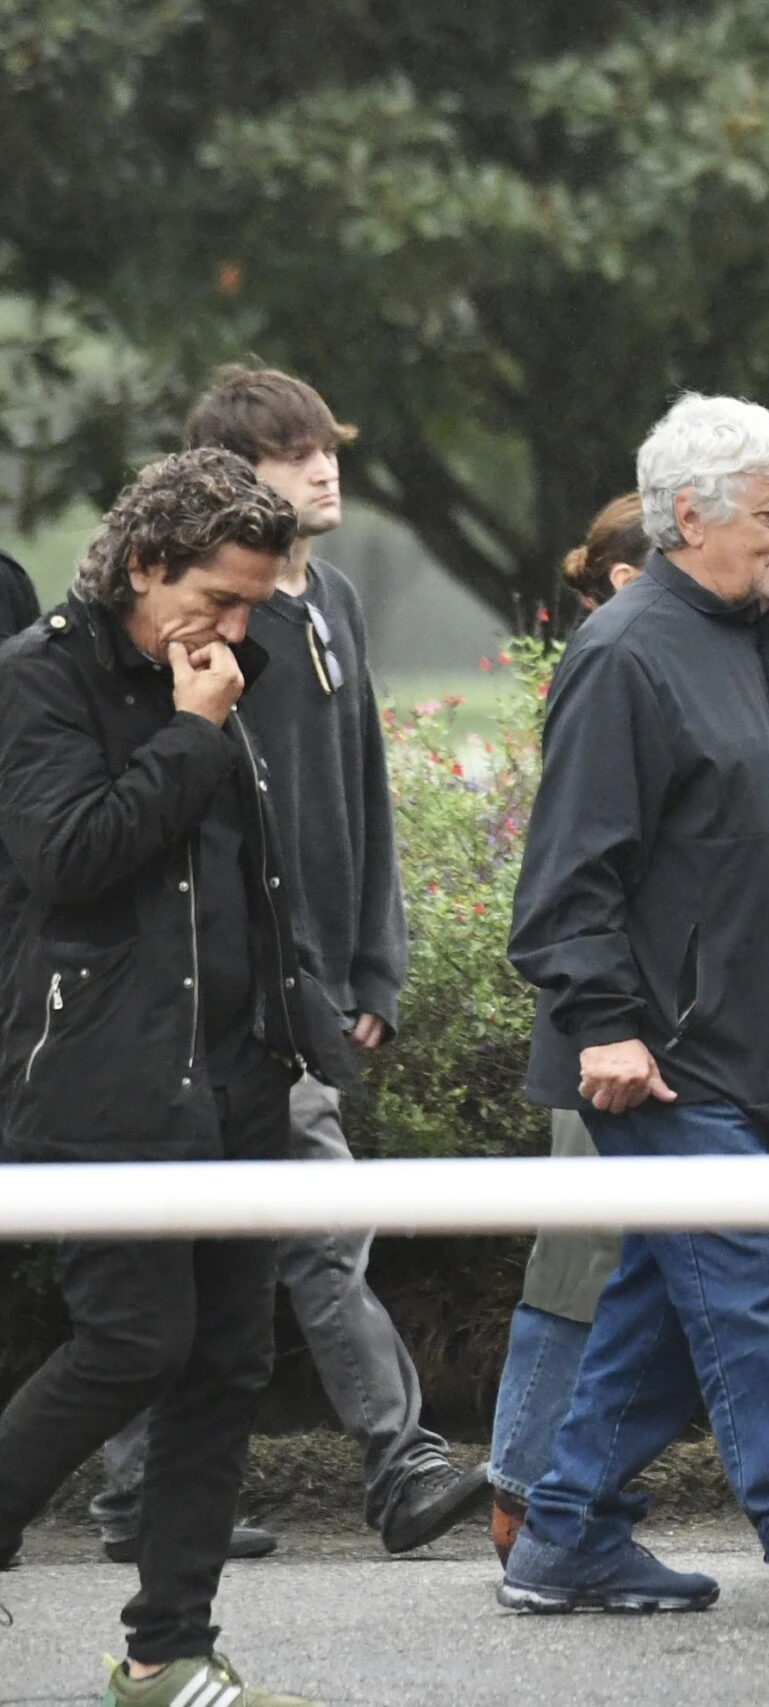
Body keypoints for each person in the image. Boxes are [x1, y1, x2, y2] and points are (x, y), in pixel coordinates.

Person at [503, 393, 769, 1621]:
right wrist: (601, 1022)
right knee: (746, 1268)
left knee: (661, 1302)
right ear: (688, 518)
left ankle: (566, 1533)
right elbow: (565, 881)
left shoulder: (762, 646)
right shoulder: (624, 656)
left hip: (750, 1052)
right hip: (658, 1055)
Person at [79, 369, 487, 1567]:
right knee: (306, 1221)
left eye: (328, 449)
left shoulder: (338, 604)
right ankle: (397, 1464)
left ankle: (136, 1496)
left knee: (254, 1236)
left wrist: (377, 970)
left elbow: (360, 790)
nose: (324, 471)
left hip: (317, 988)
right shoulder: (196, 629)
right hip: (231, 988)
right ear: (224, 486)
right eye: (293, 454)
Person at [0, 448, 343, 1707]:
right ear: (145, 565)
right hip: (99, 1082)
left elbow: (246, 879)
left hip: (239, 1075)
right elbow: (72, 855)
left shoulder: (213, 672)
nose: (237, 630)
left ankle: (168, 1653)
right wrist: (197, 733)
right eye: (221, 597)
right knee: (134, 1340)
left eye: (258, 605)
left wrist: (306, 1016)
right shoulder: (37, 681)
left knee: (225, 1365)